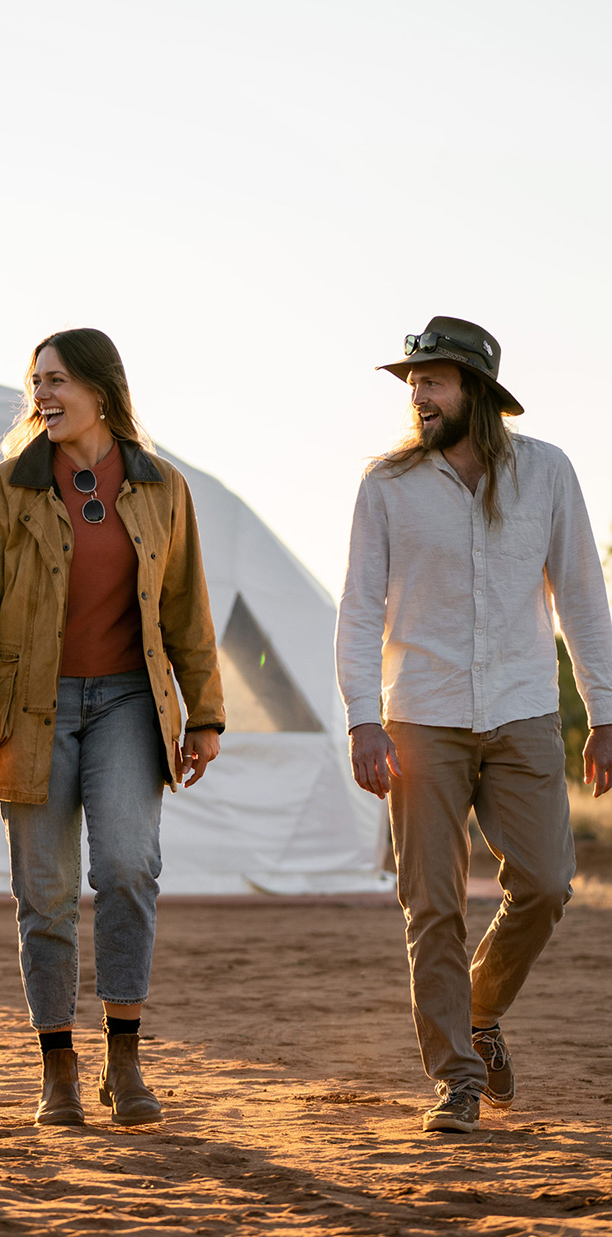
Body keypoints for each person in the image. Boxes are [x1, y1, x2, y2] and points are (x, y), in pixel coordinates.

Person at [335, 316, 612, 1134]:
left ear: (478, 391)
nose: (418, 393)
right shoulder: (385, 485)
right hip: (419, 714)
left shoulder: (549, 473)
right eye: (413, 381)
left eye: (435, 379)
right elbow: (358, 610)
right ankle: (456, 1075)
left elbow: (584, 600)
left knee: (546, 881)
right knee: (432, 903)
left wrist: (604, 713)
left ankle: (480, 1013)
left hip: (523, 709)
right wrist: (361, 719)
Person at [0, 327, 225, 1127]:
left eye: (59, 379)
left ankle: (125, 1059)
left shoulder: (161, 486)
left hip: (130, 703)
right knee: (46, 892)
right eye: (36, 380)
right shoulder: (8, 488)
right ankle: (58, 1069)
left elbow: (186, 609)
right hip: (30, 707)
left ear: (102, 390)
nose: (43, 394)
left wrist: (203, 713)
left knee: (130, 868)